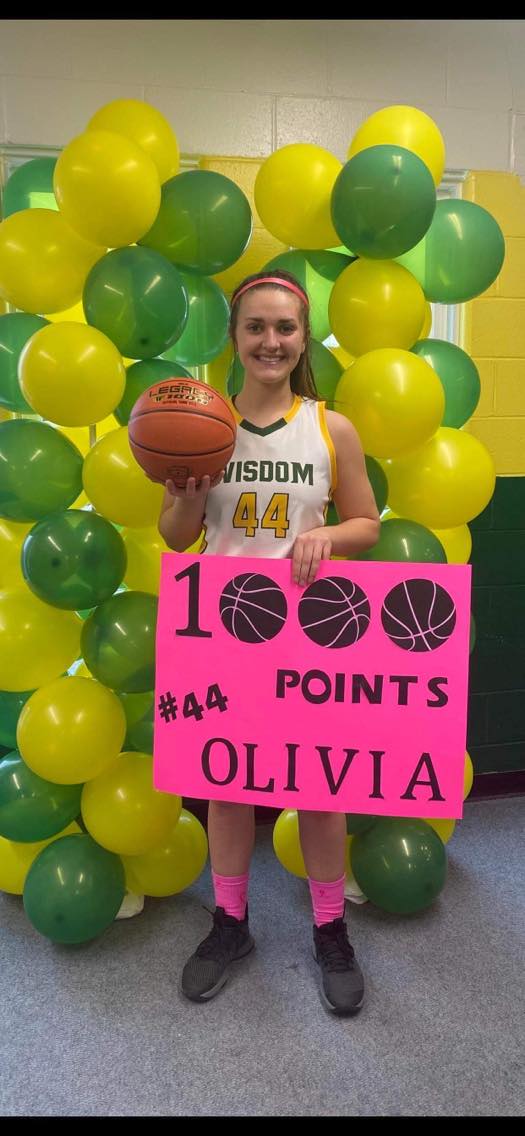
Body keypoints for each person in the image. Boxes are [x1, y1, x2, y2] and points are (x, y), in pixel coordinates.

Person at [158, 269, 380, 1016]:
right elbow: (177, 537)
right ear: (234, 336)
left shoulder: (330, 429)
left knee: (318, 788)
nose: (270, 341)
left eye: (284, 327)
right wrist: (181, 498)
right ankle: (230, 922)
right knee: (225, 787)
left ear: (303, 338)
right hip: (223, 632)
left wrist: (326, 536)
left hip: (306, 635)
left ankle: (329, 929)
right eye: (255, 326)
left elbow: (367, 524)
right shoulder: (202, 425)